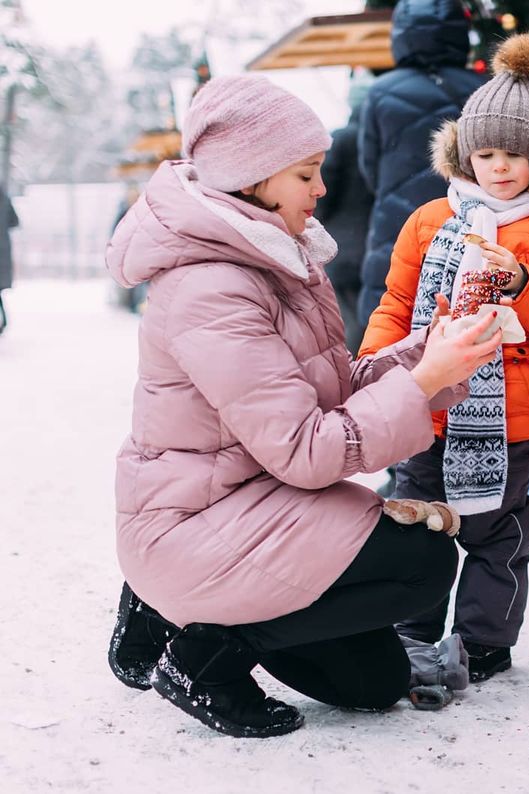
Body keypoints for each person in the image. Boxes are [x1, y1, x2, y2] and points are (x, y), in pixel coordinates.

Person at [104, 74, 504, 738]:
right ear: (252, 178)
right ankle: (201, 655)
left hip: (252, 503)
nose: (322, 189)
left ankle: (185, 614)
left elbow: (330, 386)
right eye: (305, 174)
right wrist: (423, 376)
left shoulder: (273, 256)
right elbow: (306, 449)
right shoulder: (212, 288)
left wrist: (428, 358)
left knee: (371, 686)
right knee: (421, 562)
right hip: (195, 520)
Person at [359, 33, 529, 682]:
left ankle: (485, 641)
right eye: (485, 153)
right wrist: (377, 369)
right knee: (417, 522)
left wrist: (521, 282)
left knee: (494, 533)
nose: (500, 167)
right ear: (464, 153)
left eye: (514, 155)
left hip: (508, 419)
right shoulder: (429, 220)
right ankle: (410, 632)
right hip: (427, 408)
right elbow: (397, 303)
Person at [357, 0, 487, 333]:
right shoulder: (482, 89)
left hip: (397, 223)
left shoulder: (380, 93)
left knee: (394, 318)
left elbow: (368, 168)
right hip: (469, 222)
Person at [315, 69, 376, 353]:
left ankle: (355, 374)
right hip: (374, 243)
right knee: (373, 317)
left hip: (341, 244)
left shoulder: (340, 139)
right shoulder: (380, 139)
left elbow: (322, 194)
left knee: (349, 320)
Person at [0, 185, 19, 336]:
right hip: (3, 252)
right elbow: (15, 222)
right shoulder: (5, 199)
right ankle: (3, 320)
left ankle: (3, 320)